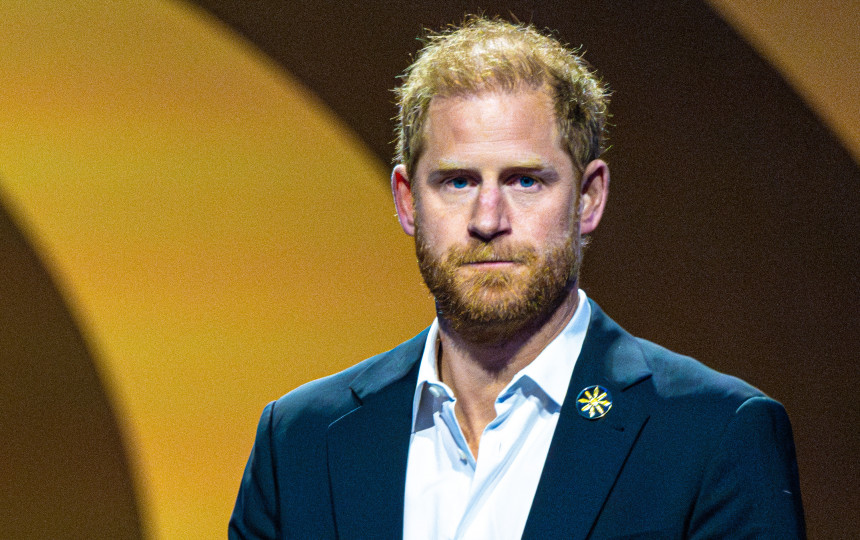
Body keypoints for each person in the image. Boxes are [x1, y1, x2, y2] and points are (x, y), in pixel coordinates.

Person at [230, 16, 805, 539]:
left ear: (589, 197)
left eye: (525, 181)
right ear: (407, 201)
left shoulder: (711, 437)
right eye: (457, 181)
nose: (488, 220)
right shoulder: (300, 442)